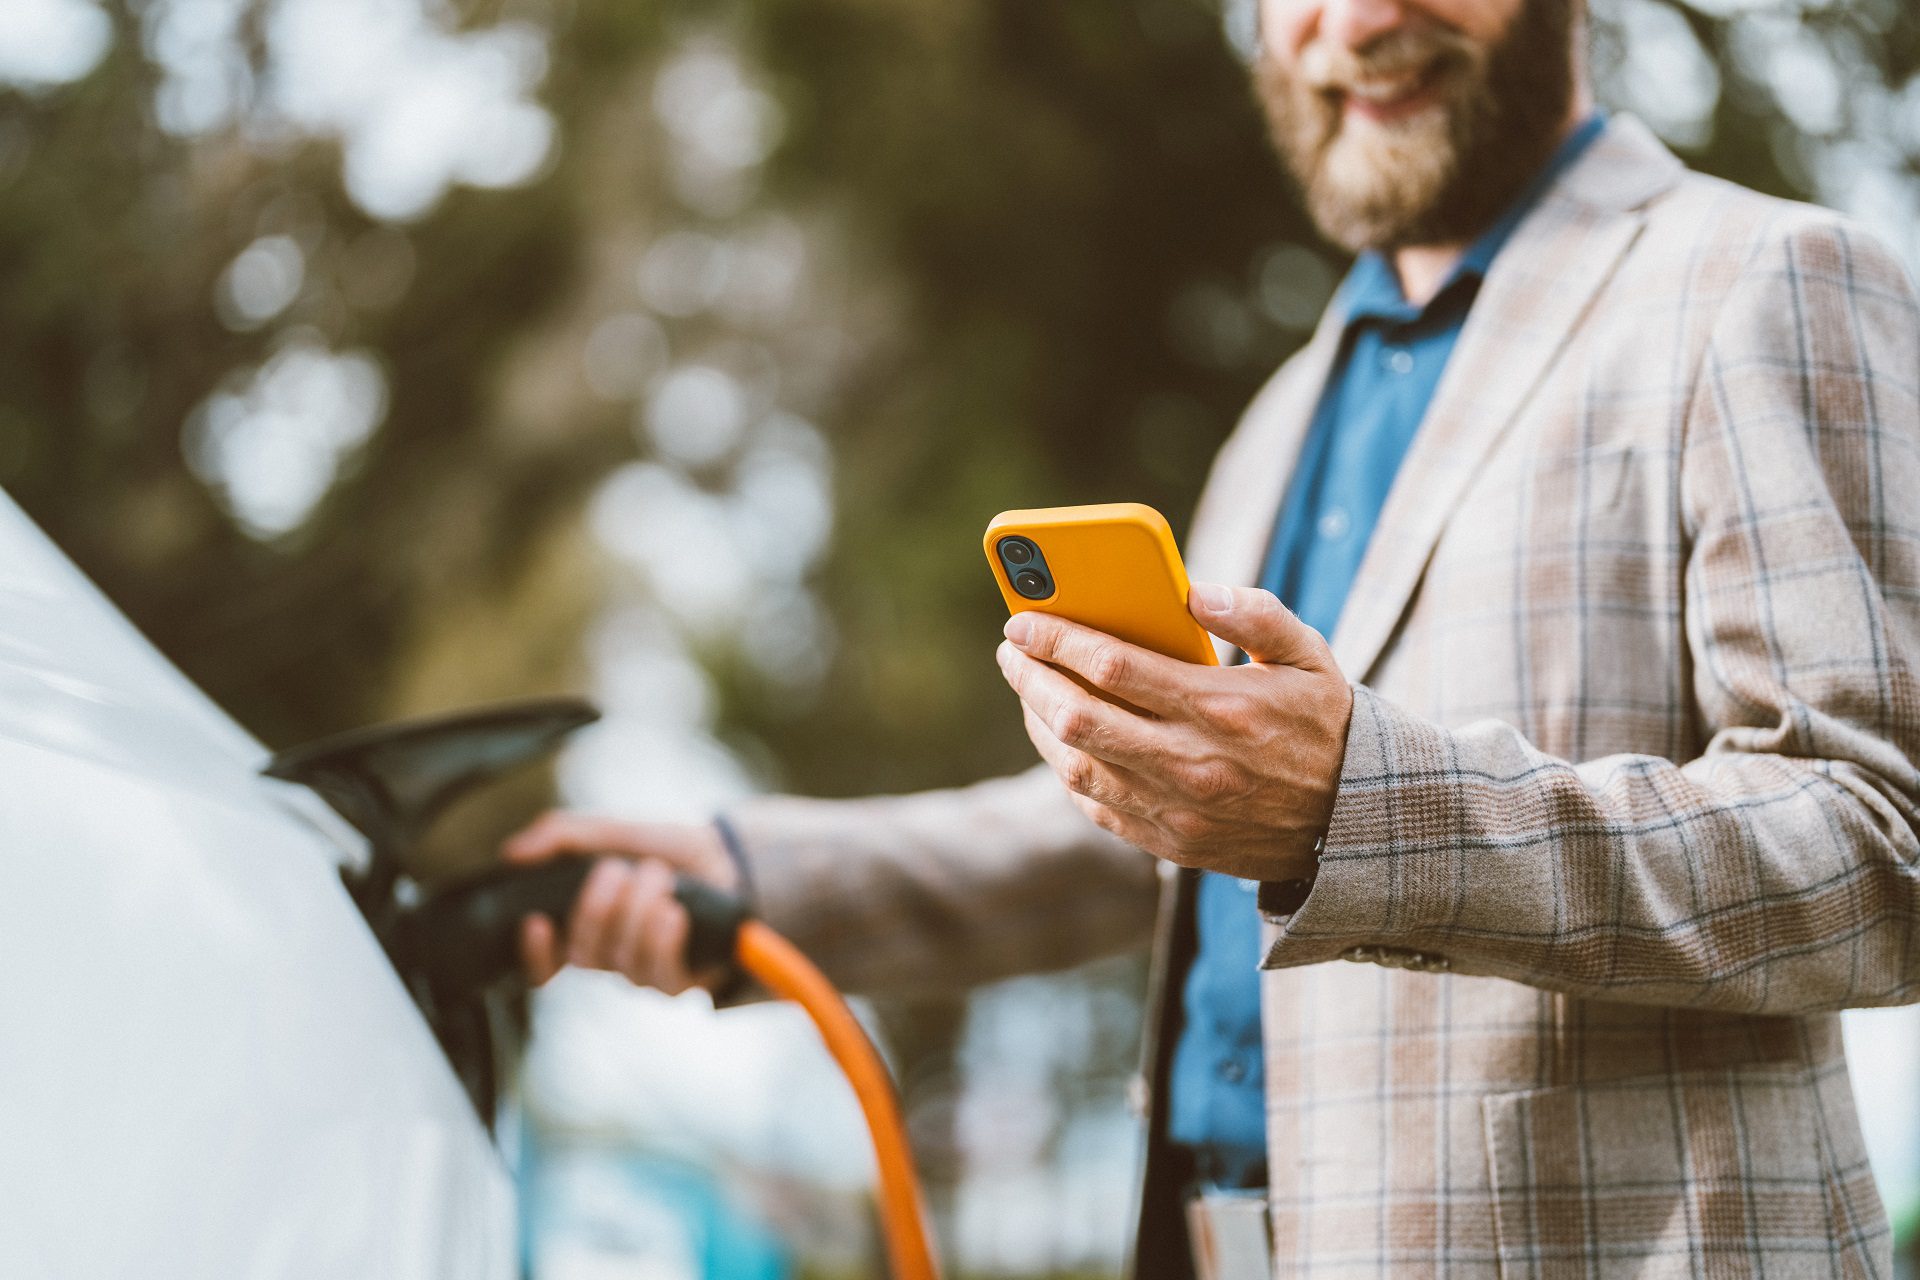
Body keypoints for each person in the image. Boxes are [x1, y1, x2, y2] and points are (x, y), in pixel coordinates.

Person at [505, 0, 1920, 1273]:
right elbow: (1155, 837)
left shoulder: (1769, 277)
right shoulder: (1280, 419)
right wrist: (748, 882)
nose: (1355, 23)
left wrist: (1358, 807)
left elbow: (1880, 843)